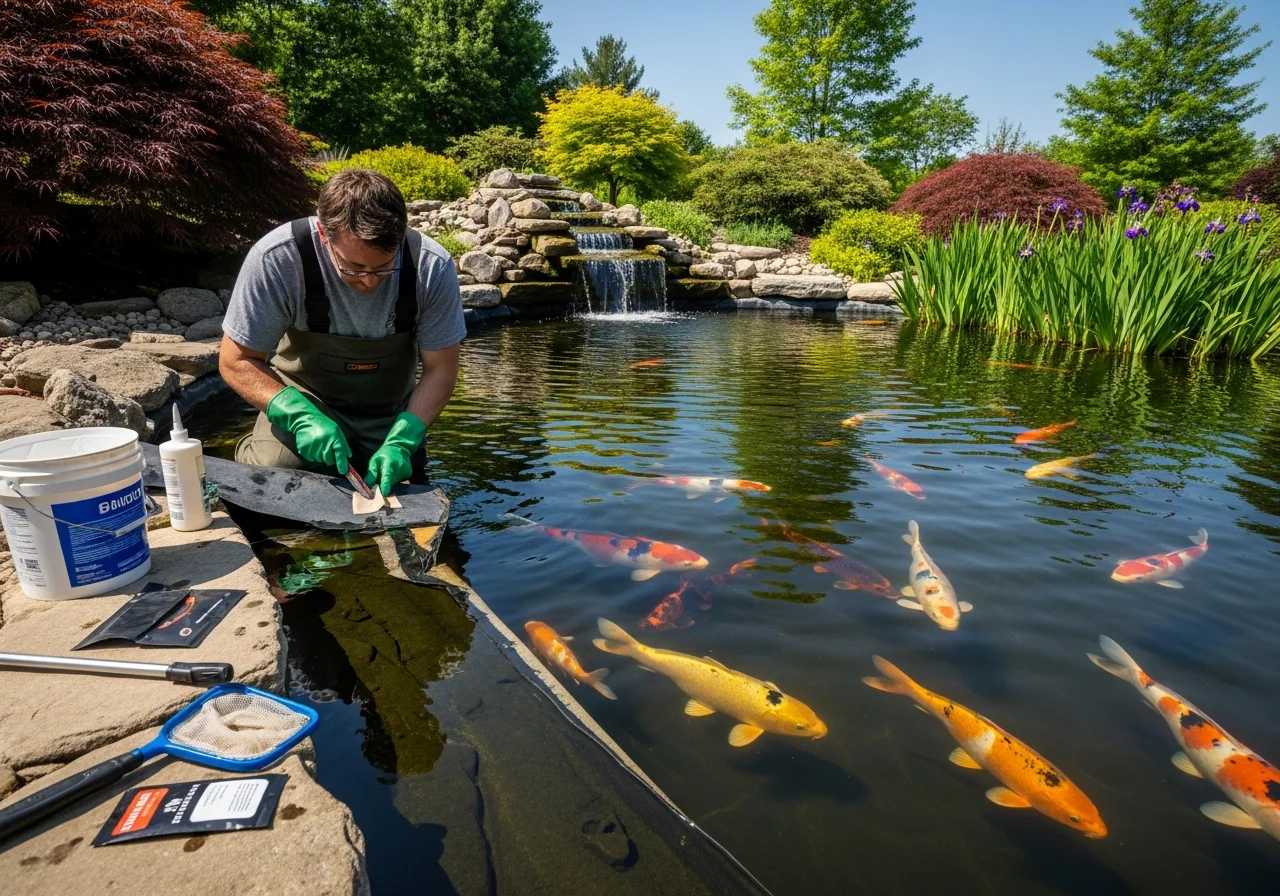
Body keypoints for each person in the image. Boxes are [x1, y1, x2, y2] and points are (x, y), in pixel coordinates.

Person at [219, 169, 464, 495]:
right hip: (306, 403)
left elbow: (441, 368)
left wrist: (403, 442)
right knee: (273, 476)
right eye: (354, 268)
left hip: (389, 414)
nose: (370, 281)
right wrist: (297, 416)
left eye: (383, 266)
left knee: (404, 488)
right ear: (323, 233)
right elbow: (235, 360)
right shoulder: (278, 259)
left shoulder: (430, 266)